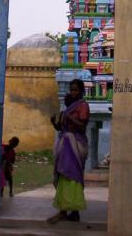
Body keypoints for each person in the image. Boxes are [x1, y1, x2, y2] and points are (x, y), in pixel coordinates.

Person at [47, 79, 90, 224]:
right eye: (71, 90)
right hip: (65, 144)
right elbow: (61, 128)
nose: (73, 92)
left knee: (74, 177)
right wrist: (54, 123)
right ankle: (66, 211)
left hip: (76, 145)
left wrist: (69, 116)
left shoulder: (83, 106)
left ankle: (71, 211)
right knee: (63, 175)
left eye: (76, 90)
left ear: (81, 91)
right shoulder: (68, 108)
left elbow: (82, 126)